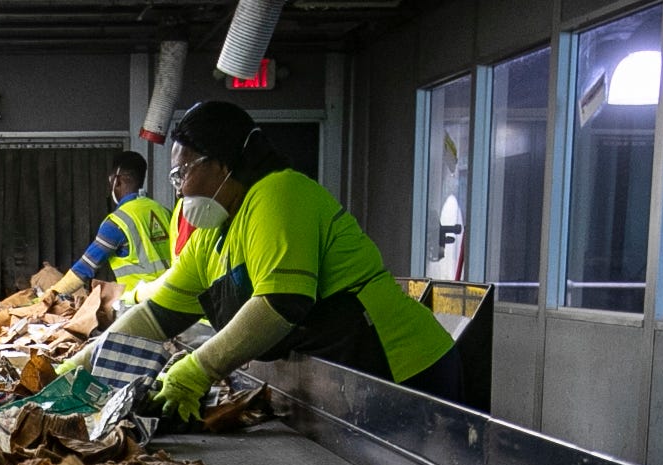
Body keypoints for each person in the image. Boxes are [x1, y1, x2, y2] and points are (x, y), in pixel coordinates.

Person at [107, 102, 459, 419]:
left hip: (406, 371)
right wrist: (87, 363)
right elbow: (155, 316)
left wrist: (197, 370)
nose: (180, 189)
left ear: (222, 160)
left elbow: (280, 303)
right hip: (350, 377)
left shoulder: (279, 193)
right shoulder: (212, 235)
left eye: (182, 173)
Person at [36, 151, 171, 308]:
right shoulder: (164, 212)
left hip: (141, 307)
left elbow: (84, 268)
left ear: (117, 181)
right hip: (173, 300)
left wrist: (49, 296)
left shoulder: (118, 222)